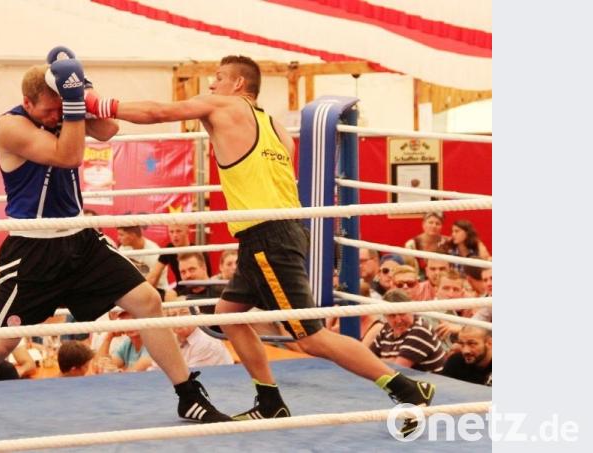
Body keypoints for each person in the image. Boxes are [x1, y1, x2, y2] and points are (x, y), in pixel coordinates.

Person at [101, 54, 435, 428]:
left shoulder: (225, 105)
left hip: (267, 236)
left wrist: (102, 105)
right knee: (228, 316)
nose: (211, 85)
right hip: (273, 233)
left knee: (310, 338)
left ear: (239, 85)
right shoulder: (274, 126)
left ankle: (406, 389)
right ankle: (270, 399)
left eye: (218, 77)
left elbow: (159, 111)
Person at [0, 50, 230, 430]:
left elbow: (108, 130)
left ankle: (188, 396)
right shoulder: (10, 126)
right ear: (28, 102)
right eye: (50, 110)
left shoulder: (61, 110)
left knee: (148, 300)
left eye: (61, 108)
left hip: (80, 239)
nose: (57, 116)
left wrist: (83, 90)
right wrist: (72, 106)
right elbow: (68, 156)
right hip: (32, 248)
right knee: (0, 343)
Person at [369, 290, 447, 373]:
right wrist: (390, 360)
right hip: (406, 380)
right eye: (392, 315)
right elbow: (368, 359)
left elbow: (398, 368)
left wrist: (378, 361)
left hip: (431, 383)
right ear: (385, 316)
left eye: (402, 313)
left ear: (412, 310)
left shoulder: (420, 330)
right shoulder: (386, 329)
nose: (398, 320)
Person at [146, 224, 212, 288]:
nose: (175, 235)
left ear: (187, 231)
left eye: (178, 231)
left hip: (196, 289)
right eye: (171, 232)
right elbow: (153, 276)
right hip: (180, 289)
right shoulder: (169, 249)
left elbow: (207, 279)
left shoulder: (199, 252)